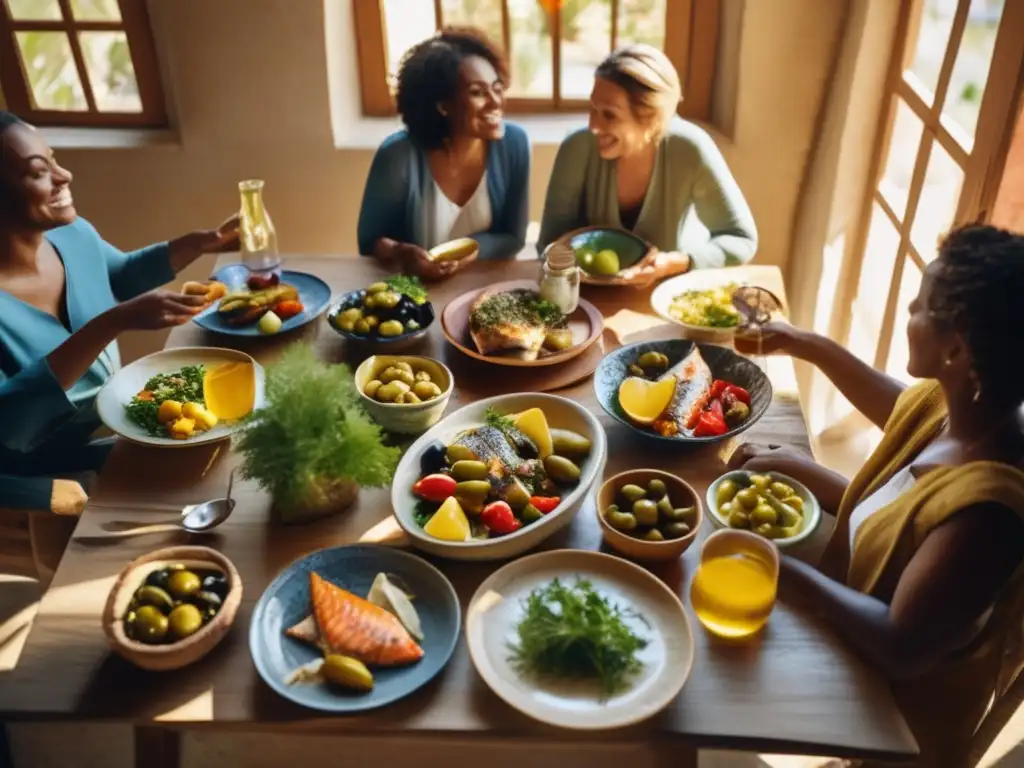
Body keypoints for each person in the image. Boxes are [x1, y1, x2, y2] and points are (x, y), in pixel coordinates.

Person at [729, 224, 1024, 765]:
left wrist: (775, 568)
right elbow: (899, 445)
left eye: (919, 309)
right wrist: (803, 344)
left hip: (890, 730)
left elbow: (899, 647)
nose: (907, 316)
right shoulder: (968, 409)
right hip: (859, 665)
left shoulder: (988, 513)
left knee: (711, 711)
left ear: (956, 349)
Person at [0, 111, 238, 518]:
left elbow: (117, 274)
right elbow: (10, 425)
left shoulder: (70, 234)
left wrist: (199, 244)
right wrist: (113, 322)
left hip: (108, 431)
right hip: (47, 485)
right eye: (40, 171)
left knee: (228, 455)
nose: (65, 176)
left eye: (55, 158)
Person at [538, 44, 756, 285]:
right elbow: (547, 244)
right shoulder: (577, 147)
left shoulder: (690, 149)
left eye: (609, 115)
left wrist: (678, 262)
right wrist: (562, 247)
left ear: (652, 118)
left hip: (669, 295)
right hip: (590, 301)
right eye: (592, 108)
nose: (593, 126)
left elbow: (741, 239)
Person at [357, 27, 530, 280]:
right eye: (477, 92)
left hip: (484, 289)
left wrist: (460, 255)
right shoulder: (398, 156)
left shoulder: (514, 144)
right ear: (443, 106)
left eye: (497, 87)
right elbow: (370, 242)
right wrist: (401, 252)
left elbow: (514, 238)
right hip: (415, 293)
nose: (496, 102)